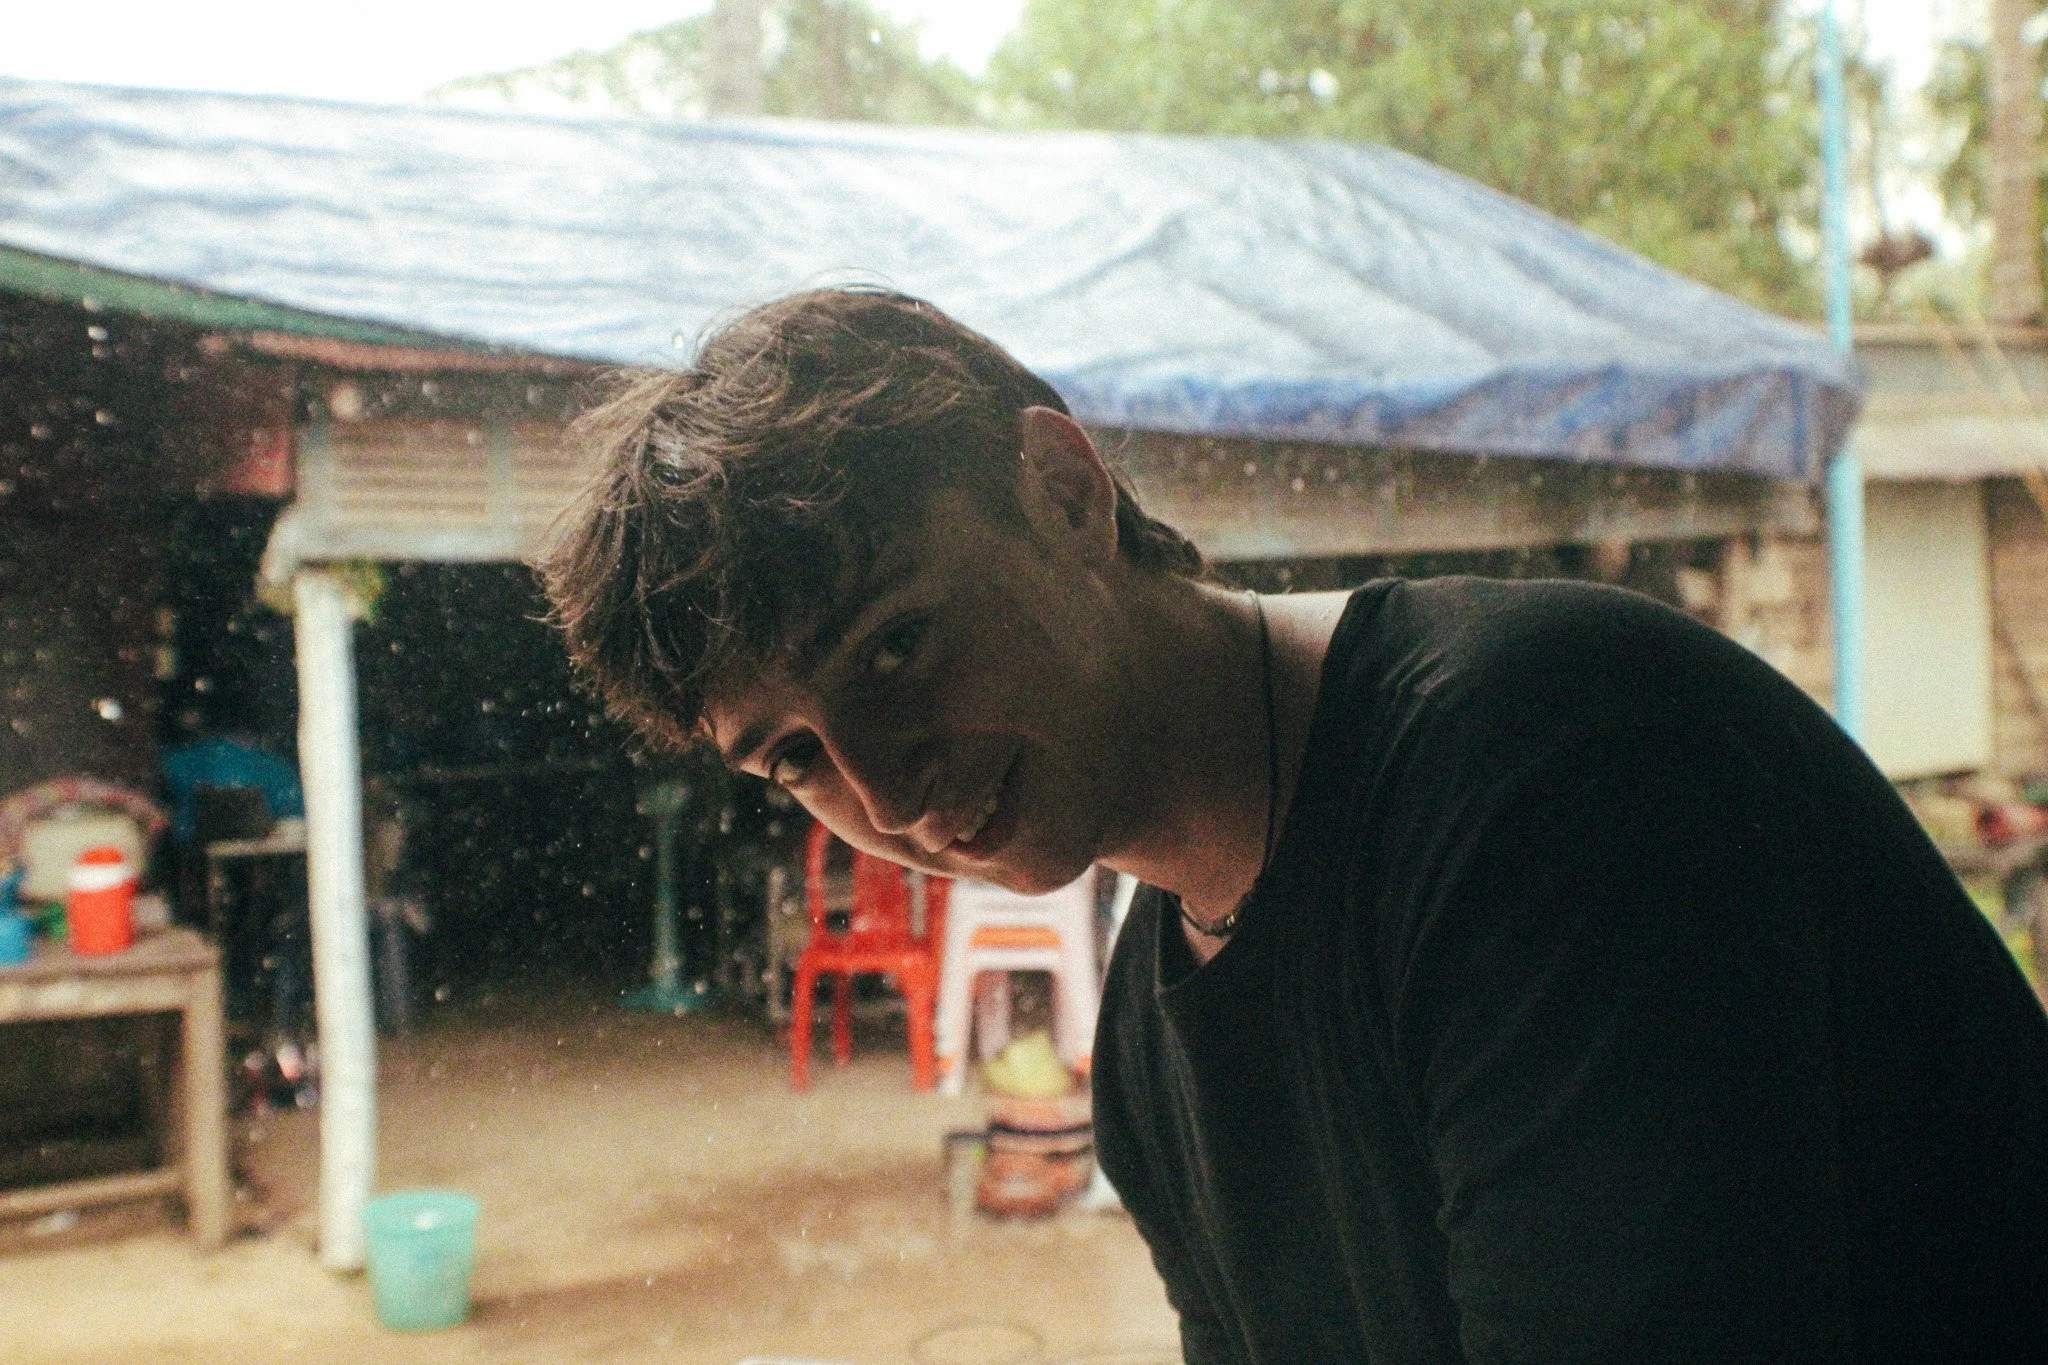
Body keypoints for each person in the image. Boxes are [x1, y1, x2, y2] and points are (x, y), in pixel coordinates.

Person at [540, 287, 2048, 1362]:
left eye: (894, 648)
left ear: (1065, 493)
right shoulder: (1148, 1031)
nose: (883, 793)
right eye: (796, 757)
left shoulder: (1542, 764)